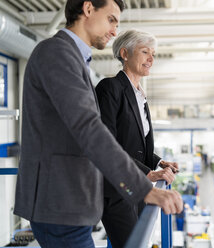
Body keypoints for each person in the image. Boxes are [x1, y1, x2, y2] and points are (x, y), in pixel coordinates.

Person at [13, 1, 183, 248]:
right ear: (88, 9)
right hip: (60, 203)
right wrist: (144, 188)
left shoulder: (74, 58)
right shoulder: (57, 53)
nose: (115, 31)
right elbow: (90, 129)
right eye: (111, 20)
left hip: (71, 203)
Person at [95, 29, 179, 248]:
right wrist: (148, 173)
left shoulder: (140, 96)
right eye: (144, 52)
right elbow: (108, 144)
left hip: (138, 188)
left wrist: (159, 162)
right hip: (117, 189)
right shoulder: (110, 88)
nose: (151, 59)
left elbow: (136, 146)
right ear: (125, 53)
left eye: (153, 53)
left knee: (141, 240)